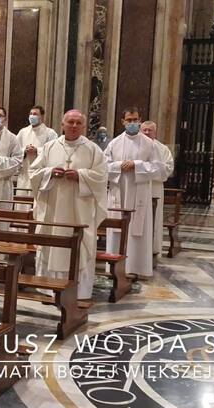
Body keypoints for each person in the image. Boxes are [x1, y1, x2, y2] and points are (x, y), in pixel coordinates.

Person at [29, 110, 106, 300]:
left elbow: (102, 177)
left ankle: (78, 292)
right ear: (62, 124)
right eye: (70, 122)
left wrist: (81, 175)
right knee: (52, 243)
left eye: (78, 123)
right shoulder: (49, 147)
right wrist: (49, 173)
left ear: (84, 126)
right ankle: (47, 288)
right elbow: (34, 172)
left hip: (80, 211)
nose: (74, 126)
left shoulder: (93, 150)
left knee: (78, 247)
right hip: (53, 208)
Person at [104, 107, 164, 279]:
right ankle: (114, 267)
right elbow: (103, 166)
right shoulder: (114, 143)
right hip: (119, 191)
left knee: (138, 229)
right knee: (116, 229)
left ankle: (137, 267)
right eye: (129, 120)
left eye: (135, 120)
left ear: (140, 120)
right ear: (122, 121)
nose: (132, 123)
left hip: (140, 192)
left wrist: (136, 165)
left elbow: (158, 168)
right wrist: (119, 166)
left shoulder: (149, 144)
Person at [140, 121, 174, 258]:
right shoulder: (135, 147)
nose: (147, 132)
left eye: (150, 130)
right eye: (145, 130)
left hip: (155, 188)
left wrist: (146, 170)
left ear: (155, 132)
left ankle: (153, 251)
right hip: (139, 187)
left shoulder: (163, 149)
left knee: (154, 220)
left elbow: (168, 169)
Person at [16, 105, 57, 196]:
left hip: (40, 173)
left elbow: (52, 151)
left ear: (42, 116)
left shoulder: (50, 133)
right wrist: (25, 150)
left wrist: (37, 150)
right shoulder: (23, 132)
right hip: (25, 172)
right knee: (21, 199)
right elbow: (16, 150)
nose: (32, 116)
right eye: (30, 114)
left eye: (35, 114)